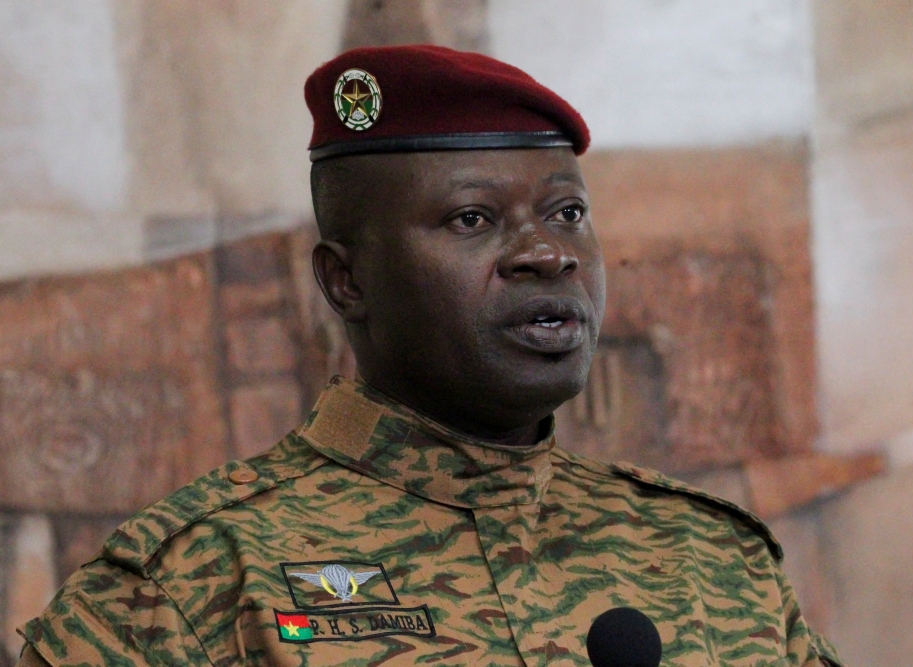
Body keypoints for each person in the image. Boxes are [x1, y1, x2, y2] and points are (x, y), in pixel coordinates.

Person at [17, 46, 842, 667]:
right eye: (472, 221)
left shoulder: (710, 558)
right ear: (345, 281)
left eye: (566, 212)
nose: (546, 254)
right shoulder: (191, 583)